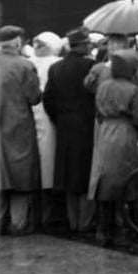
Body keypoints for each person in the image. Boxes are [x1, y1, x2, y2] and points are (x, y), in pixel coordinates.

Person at [88, 49, 138, 245]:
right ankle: (133, 230)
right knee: (129, 181)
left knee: (105, 181)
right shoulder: (133, 89)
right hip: (126, 134)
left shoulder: (102, 86)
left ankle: (103, 231)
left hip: (104, 132)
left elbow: (97, 111)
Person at [42, 27, 97, 232]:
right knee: (85, 174)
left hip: (65, 127)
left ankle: (73, 222)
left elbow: (48, 99)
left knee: (68, 175)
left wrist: (59, 118)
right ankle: (85, 222)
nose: (90, 46)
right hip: (87, 125)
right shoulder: (91, 66)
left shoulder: (56, 68)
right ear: (82, 45)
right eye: (88, 43)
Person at [0, 25, 42, 235]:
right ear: (16, 42)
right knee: (20, 177)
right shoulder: (25, 65)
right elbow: (34, 98)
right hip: (19, 127)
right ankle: (18, 224)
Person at [31, 31, 64, 230]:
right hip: (50, 117)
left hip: (31, 114)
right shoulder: (57, 63)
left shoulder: (28, 62)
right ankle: (50, 214)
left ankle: (36, 214)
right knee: (49, 165)